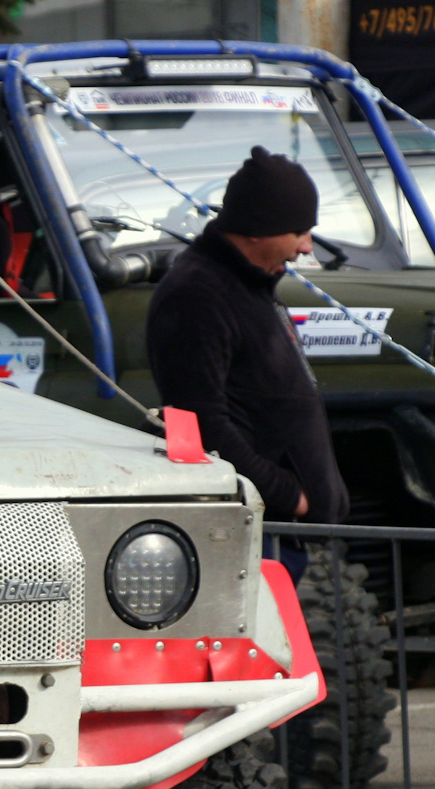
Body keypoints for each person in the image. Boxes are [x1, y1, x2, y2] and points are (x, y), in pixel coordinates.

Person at [147, 145, 350, 566]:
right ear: (257, 229)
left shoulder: (249, 286)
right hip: (254, 536)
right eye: (298, 232)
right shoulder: (196, 294)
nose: (306, 247)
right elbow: (198, 421)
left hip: (282, 531)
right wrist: (285, 494)